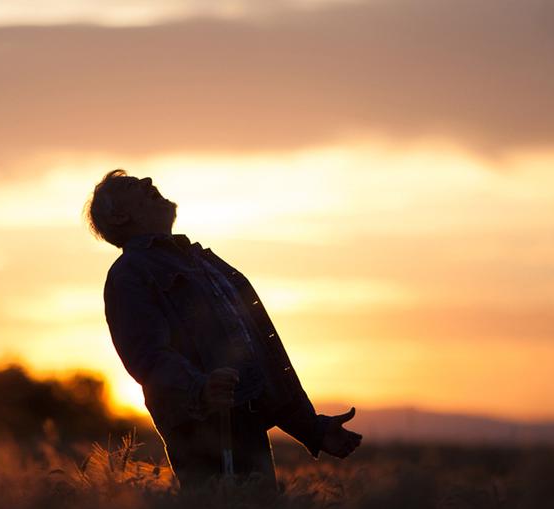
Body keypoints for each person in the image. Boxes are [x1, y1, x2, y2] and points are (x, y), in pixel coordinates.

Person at [86, 169, 362, 490]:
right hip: (201, 431)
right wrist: (199, 388)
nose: (148, 182)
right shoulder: (130, 273)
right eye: (133, 186)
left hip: (245, 425)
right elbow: (147, 357)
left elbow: (259, 359)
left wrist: (311, 428)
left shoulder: (203, 263)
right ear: (120, 215)